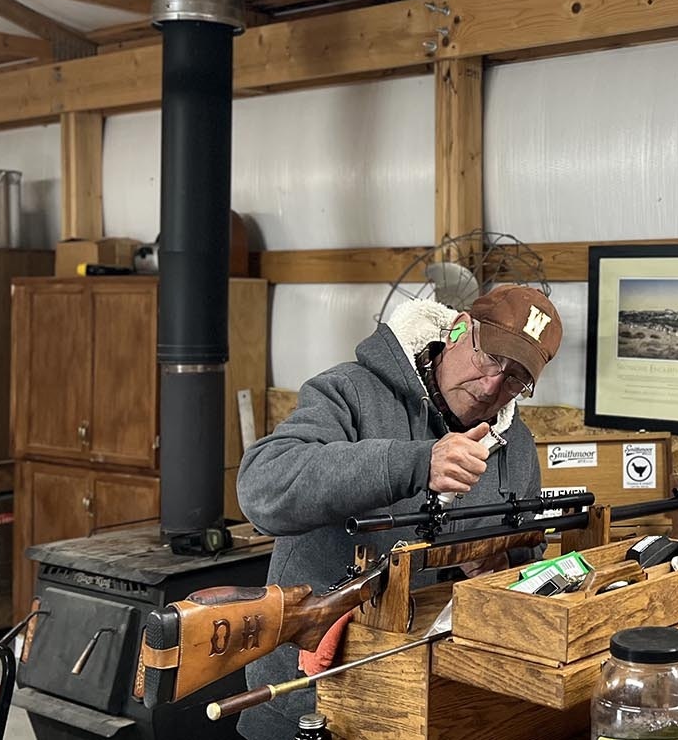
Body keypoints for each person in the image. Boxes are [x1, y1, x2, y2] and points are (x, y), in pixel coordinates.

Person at [235, 284, 563, 739]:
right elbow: (262, 487)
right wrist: (415, 462)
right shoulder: (351, 391)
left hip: (426, 704)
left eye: (514, 379)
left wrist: (501, 564)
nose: (492, 386)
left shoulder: (517, 447)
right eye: (490, 358)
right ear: (459, 329)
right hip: (305, 700)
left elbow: (530, 554)